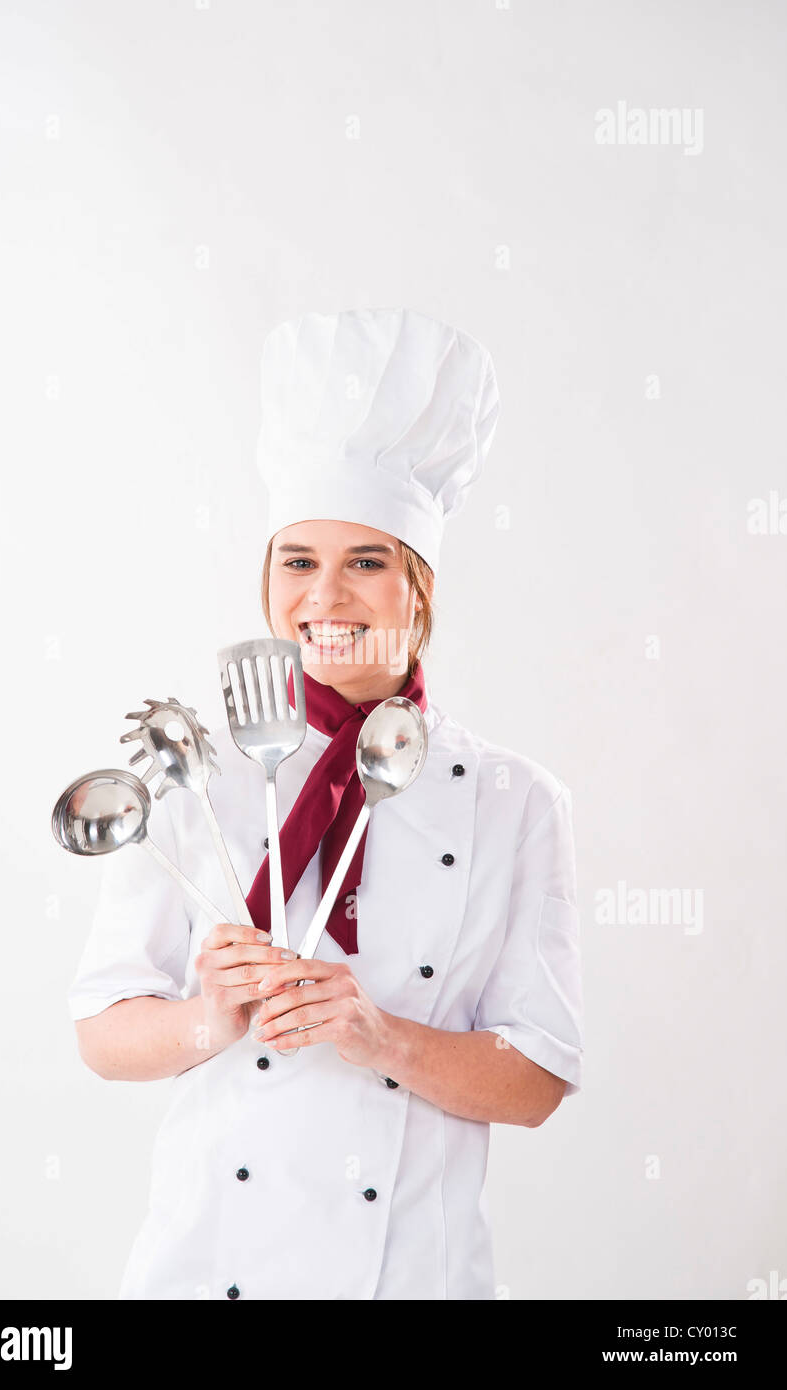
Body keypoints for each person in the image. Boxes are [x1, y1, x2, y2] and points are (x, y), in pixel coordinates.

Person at [67, 307, 584, 1301]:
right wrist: (208, 1019)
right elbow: (101, 1028)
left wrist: (373, 1035)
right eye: (298, 561)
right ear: (268, 577)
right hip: (201, 1268)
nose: (326, 598)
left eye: (366, 562)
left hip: (411, 1278)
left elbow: (534, 1080)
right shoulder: (193, 772)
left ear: (418, 586)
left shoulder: (518, 803)